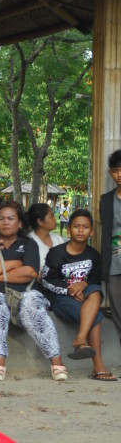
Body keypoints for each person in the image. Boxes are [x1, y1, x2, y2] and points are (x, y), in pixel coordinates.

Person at [0, 200, 68, 382]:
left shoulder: (29, 244)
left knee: (33, 307)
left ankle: (57, 363)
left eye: (10, 218)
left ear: (20, 223)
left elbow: (29, 272)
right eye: (1, 219)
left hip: (25, 292)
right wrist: (15, 264)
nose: (5, 222)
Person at [42, 209, 115, 381]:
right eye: (76, 227)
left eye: (85, 227)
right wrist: (69, 290)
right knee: (95, 315)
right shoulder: (57, 253)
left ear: (92, 232)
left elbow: (95, 280)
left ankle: (81, 339)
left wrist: (83, 284)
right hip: (60, 298)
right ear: (69, 230)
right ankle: (98, 367)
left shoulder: (93, 255)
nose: (81, 230)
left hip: (86, 295)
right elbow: (46, 280)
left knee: (95, 291)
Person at [99, 148, 121, 351]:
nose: (119, 174)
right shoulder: (106, 200)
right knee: (117, 309)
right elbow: (106, 233)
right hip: (114, 261)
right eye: (115, 170)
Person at [27, 202, 66, 277]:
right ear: (40, 222)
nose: (55, 219)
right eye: (51, 217)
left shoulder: (58, 239)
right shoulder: (29, 242)